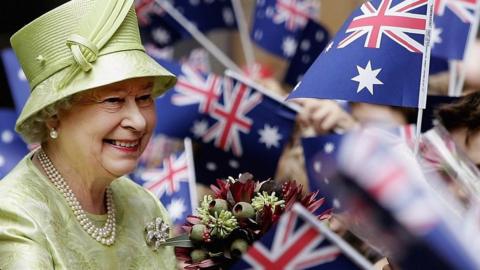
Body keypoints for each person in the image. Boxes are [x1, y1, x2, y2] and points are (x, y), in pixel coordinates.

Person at [0, 0, 178, 269]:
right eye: (113, 100)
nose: (139, 121)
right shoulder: (16, 215)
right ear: (54, 114)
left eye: (144, 97)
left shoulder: (143, 204)